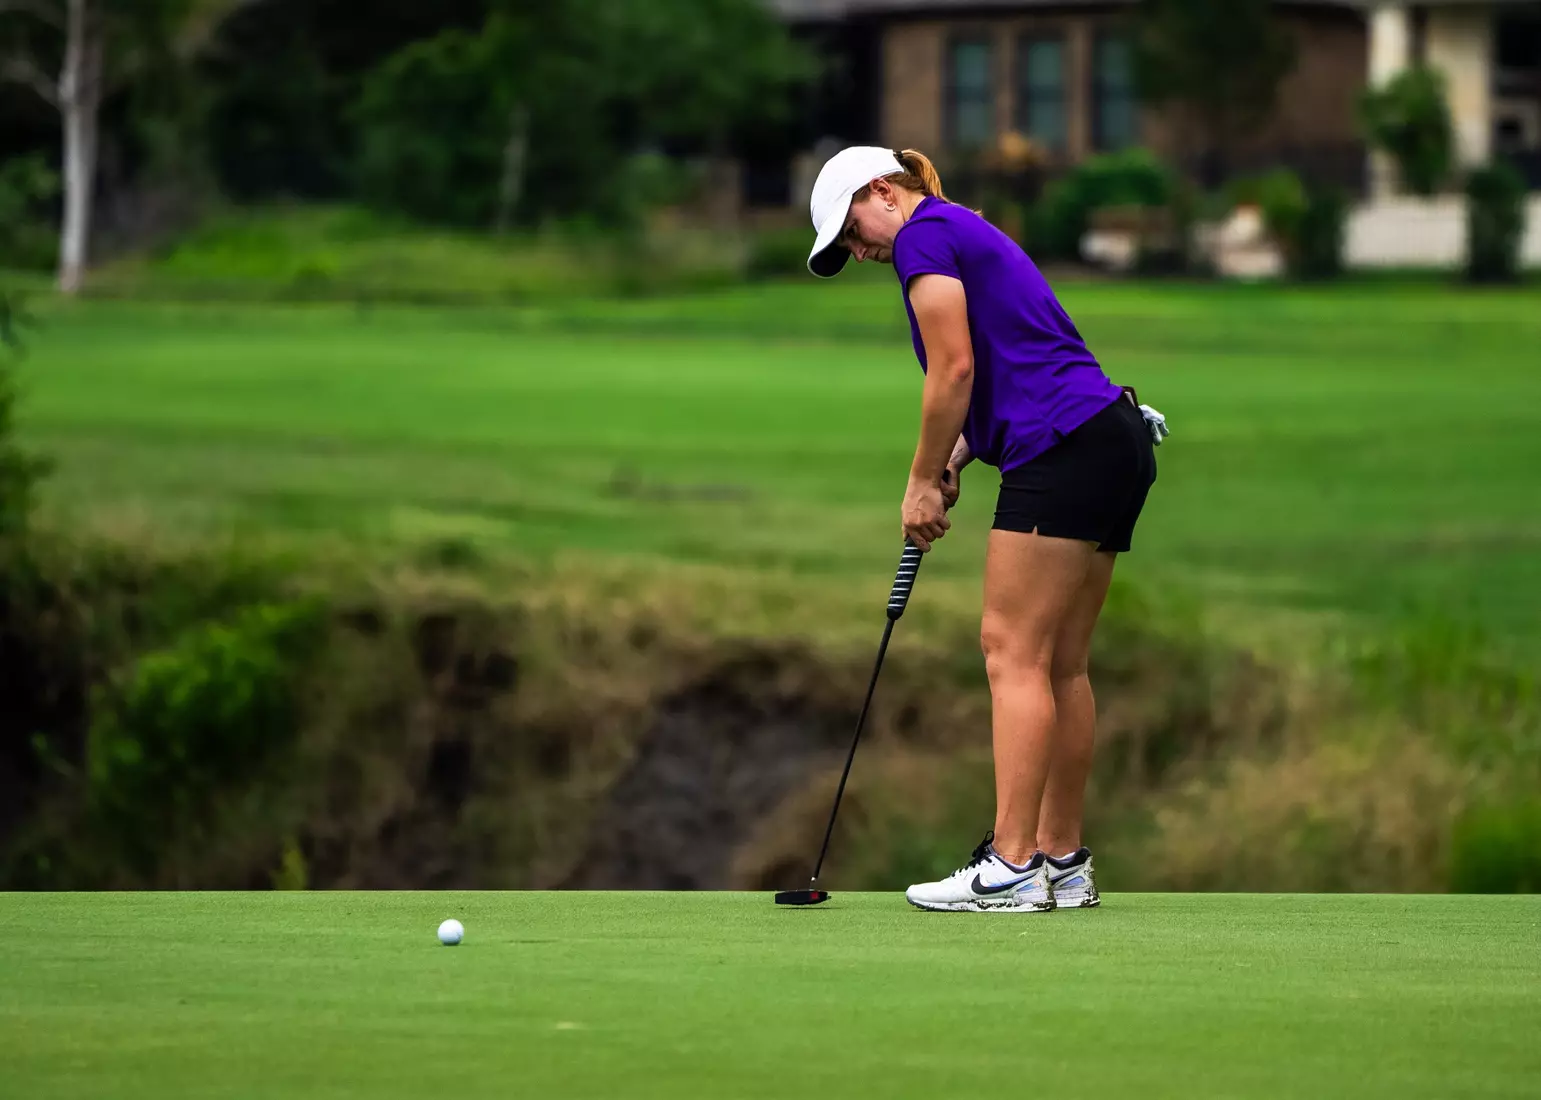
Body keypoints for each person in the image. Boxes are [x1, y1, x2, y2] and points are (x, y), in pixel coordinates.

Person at [805, 146, 1162, 913]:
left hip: (1062, 447)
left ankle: (1009, 864)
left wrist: (918, 482)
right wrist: (957, 458)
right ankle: (1061, 863)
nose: (856, 249)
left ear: (882, 192)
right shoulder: (959, 228)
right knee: (1061, 664)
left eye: (849, 228)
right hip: (1110, 438)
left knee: (1011, 653)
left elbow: (955, 371)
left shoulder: (922, 235)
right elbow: (1007, 368)